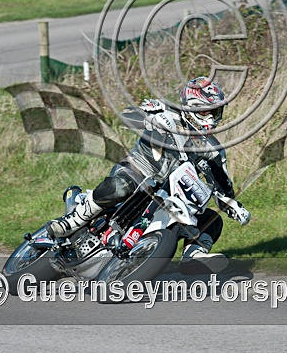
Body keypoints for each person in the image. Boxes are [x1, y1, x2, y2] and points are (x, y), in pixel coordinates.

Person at [47, 77, 250, 274]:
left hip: (171, 192)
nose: (213, 117)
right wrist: (148, 117)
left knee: (212, 220)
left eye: (216, 112)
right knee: (120, 187)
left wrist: (232, 204)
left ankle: (193, 255)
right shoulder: (166, 111)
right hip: (138, 171)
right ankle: (72, 221)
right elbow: (127, 115)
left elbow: (222, 185)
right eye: (208, 111)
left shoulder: (213, 149)